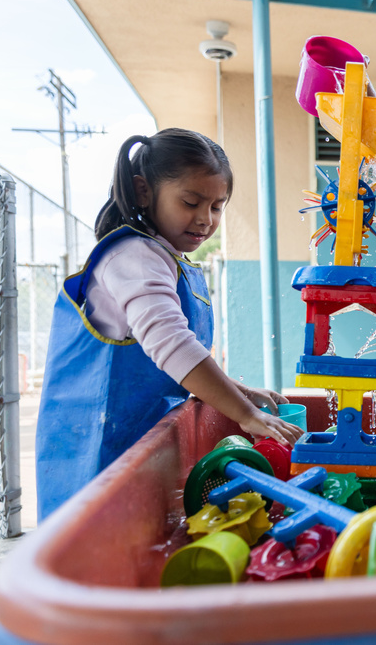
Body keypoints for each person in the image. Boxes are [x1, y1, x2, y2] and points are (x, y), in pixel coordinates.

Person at [35, 128, 302, 520]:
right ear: (144, 191)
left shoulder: (167, 258)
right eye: (191, 202)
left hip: (135, 440)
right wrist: (245, 413)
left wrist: (242, 392)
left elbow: (170, 364)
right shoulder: (134, 256)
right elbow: (172, 347)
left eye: (217, 206)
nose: (205, 219)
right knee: (90, 543)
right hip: (95, 445)